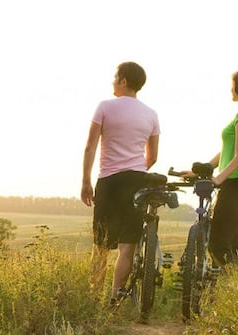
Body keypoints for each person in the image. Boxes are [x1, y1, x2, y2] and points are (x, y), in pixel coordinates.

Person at [80, 61, 160, 304]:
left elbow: (90, 146)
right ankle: (115, 298)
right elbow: (153, 156)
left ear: (124, 80)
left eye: (116, 77)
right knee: (128, 244)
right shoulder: (151, 114)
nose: (113, 81)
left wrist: (86, 180)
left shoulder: (105, 107)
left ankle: (95, 298)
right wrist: (135, 170)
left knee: (101, 243)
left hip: (109, 181)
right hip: (137, 181)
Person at [184, 68, 238, 267]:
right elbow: (226, 152)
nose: (230, 89)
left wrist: (218, 179)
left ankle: (230, 287)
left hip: (236, 184)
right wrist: (202, 171)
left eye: (233, 84)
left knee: (218, 244)